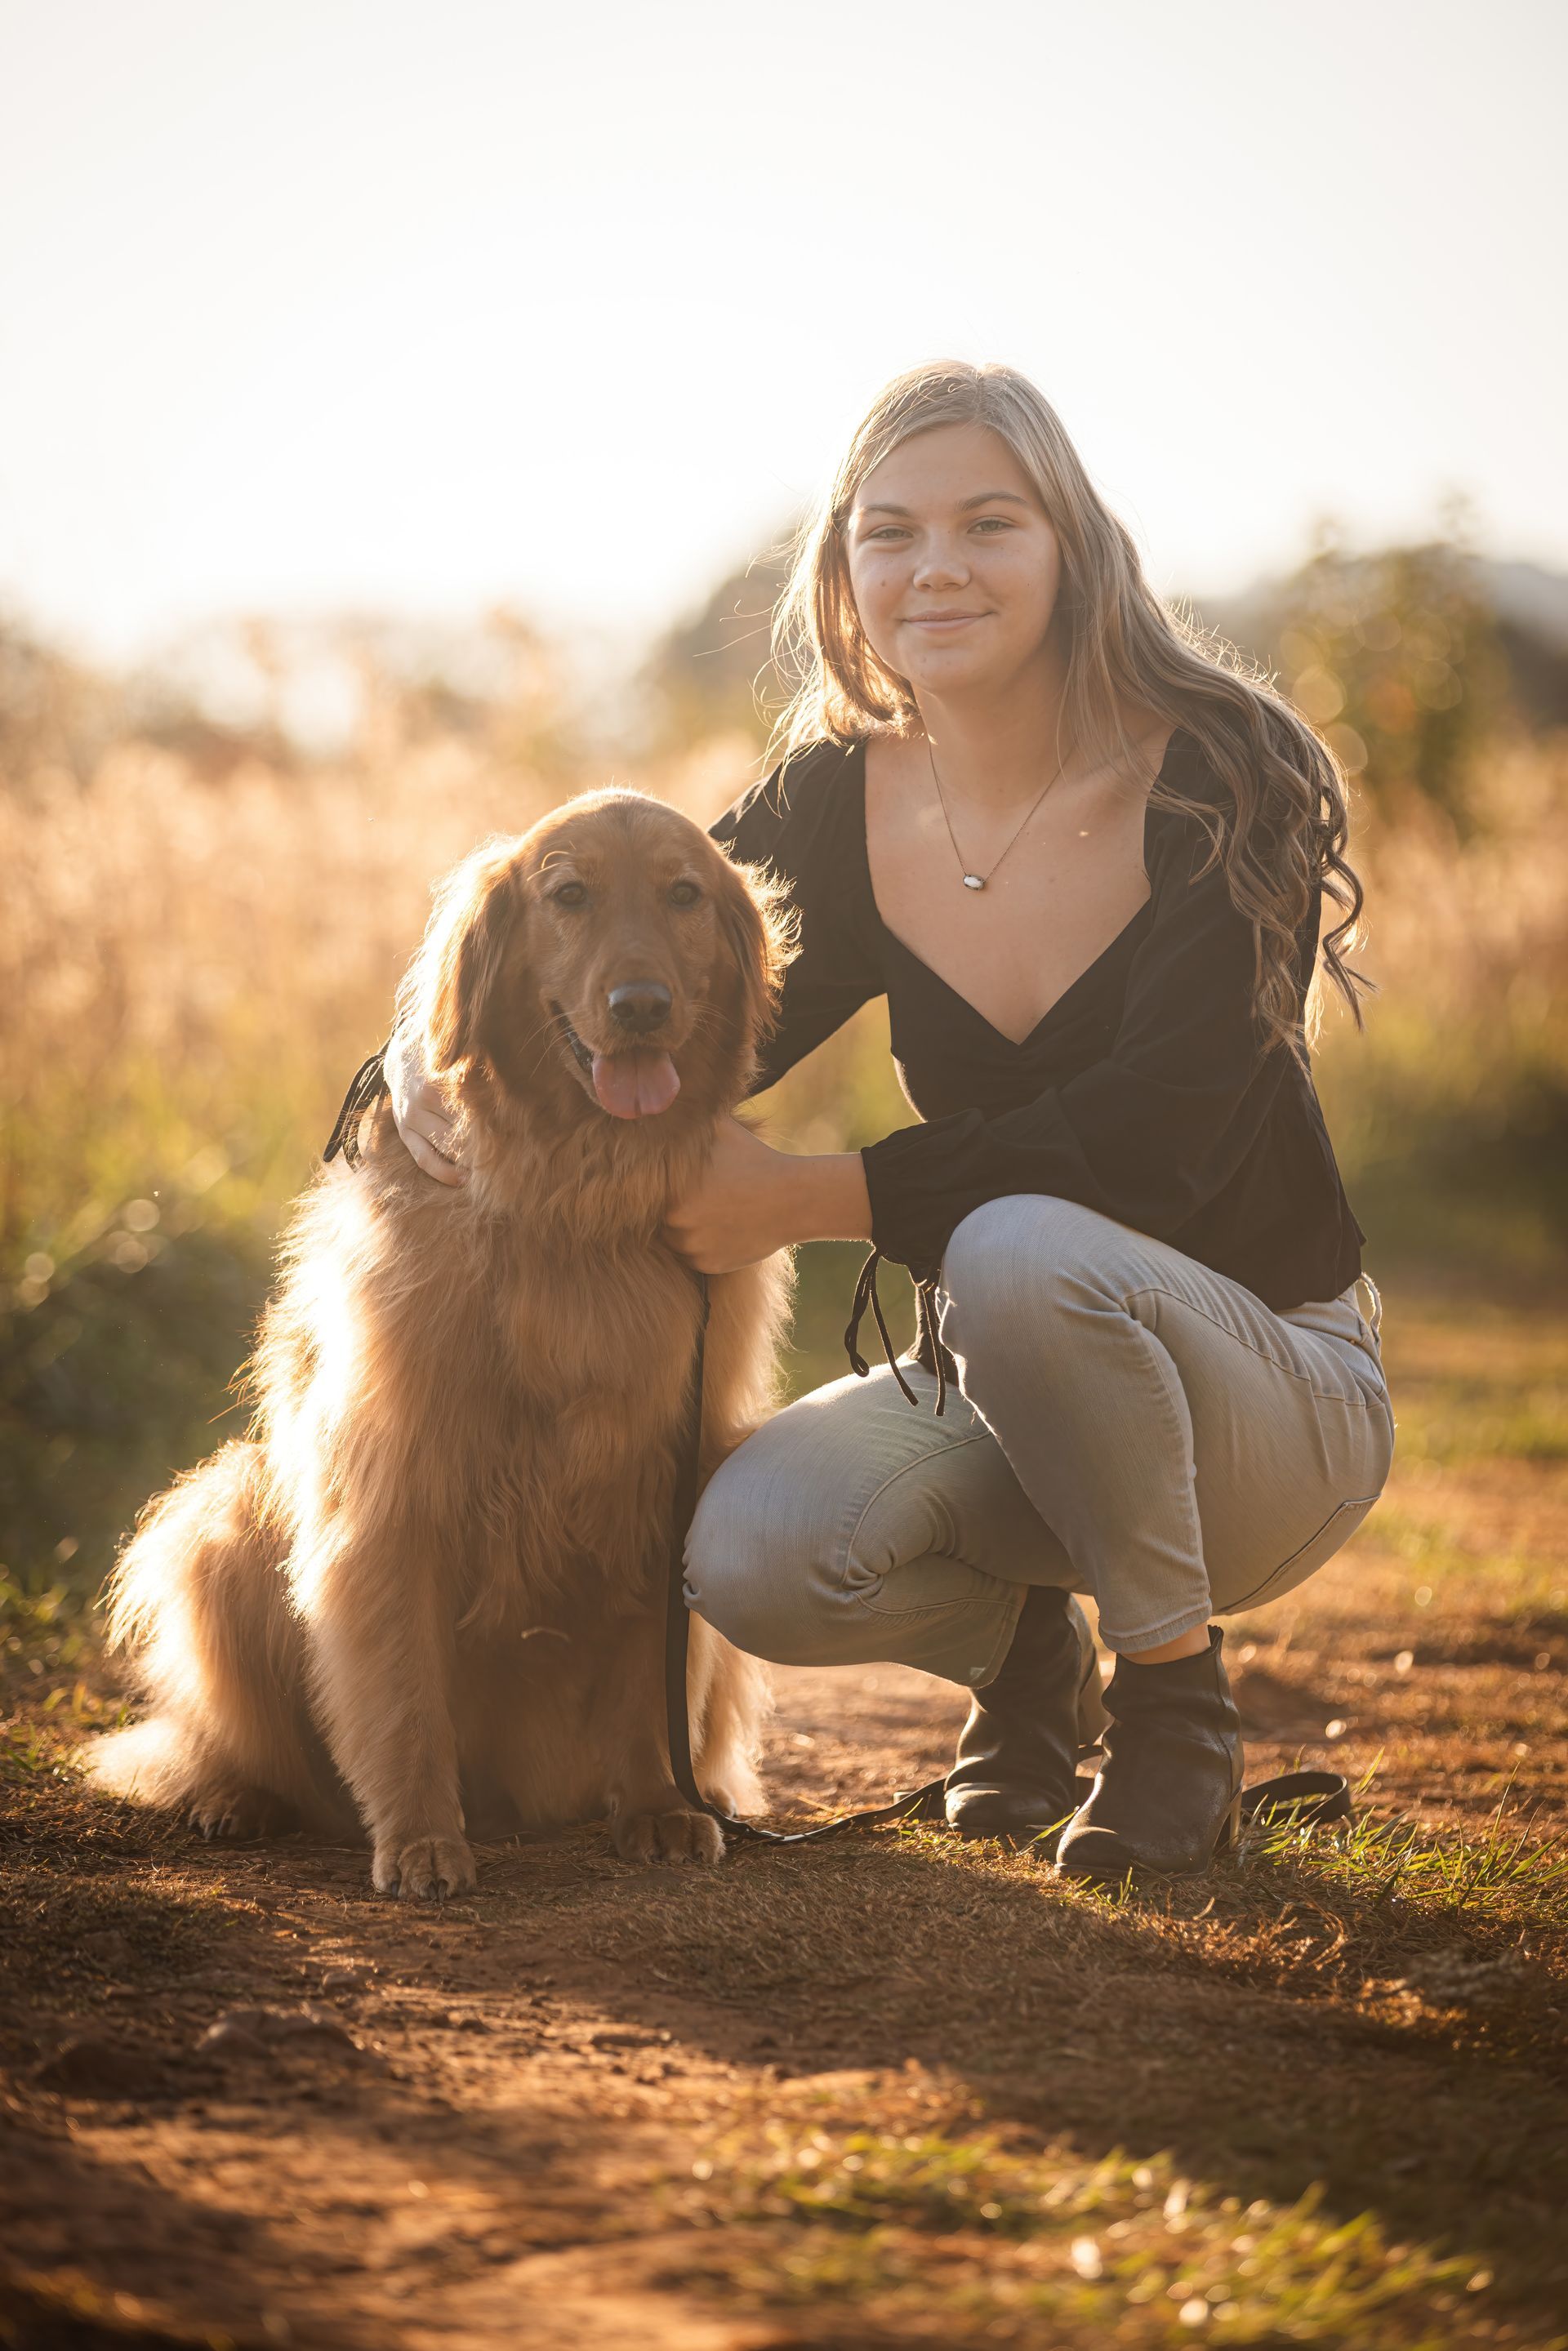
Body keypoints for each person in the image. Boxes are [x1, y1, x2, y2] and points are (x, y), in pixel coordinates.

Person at [385, 359, 1396, 1881]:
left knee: (1015, 1247)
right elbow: (604, 954)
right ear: (843, 572)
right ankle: (1031, 1666)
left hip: (1274, 1396)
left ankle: (1176, 1713)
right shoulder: (833, 808)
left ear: (1072, 544)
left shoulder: (1226, 777)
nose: (937, 567)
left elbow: (1156, 1137)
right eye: (891, 532)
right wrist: (416, 1058)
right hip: (1015, 1388)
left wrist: (813, 1196)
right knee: (749, 1550)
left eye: (989, 524)